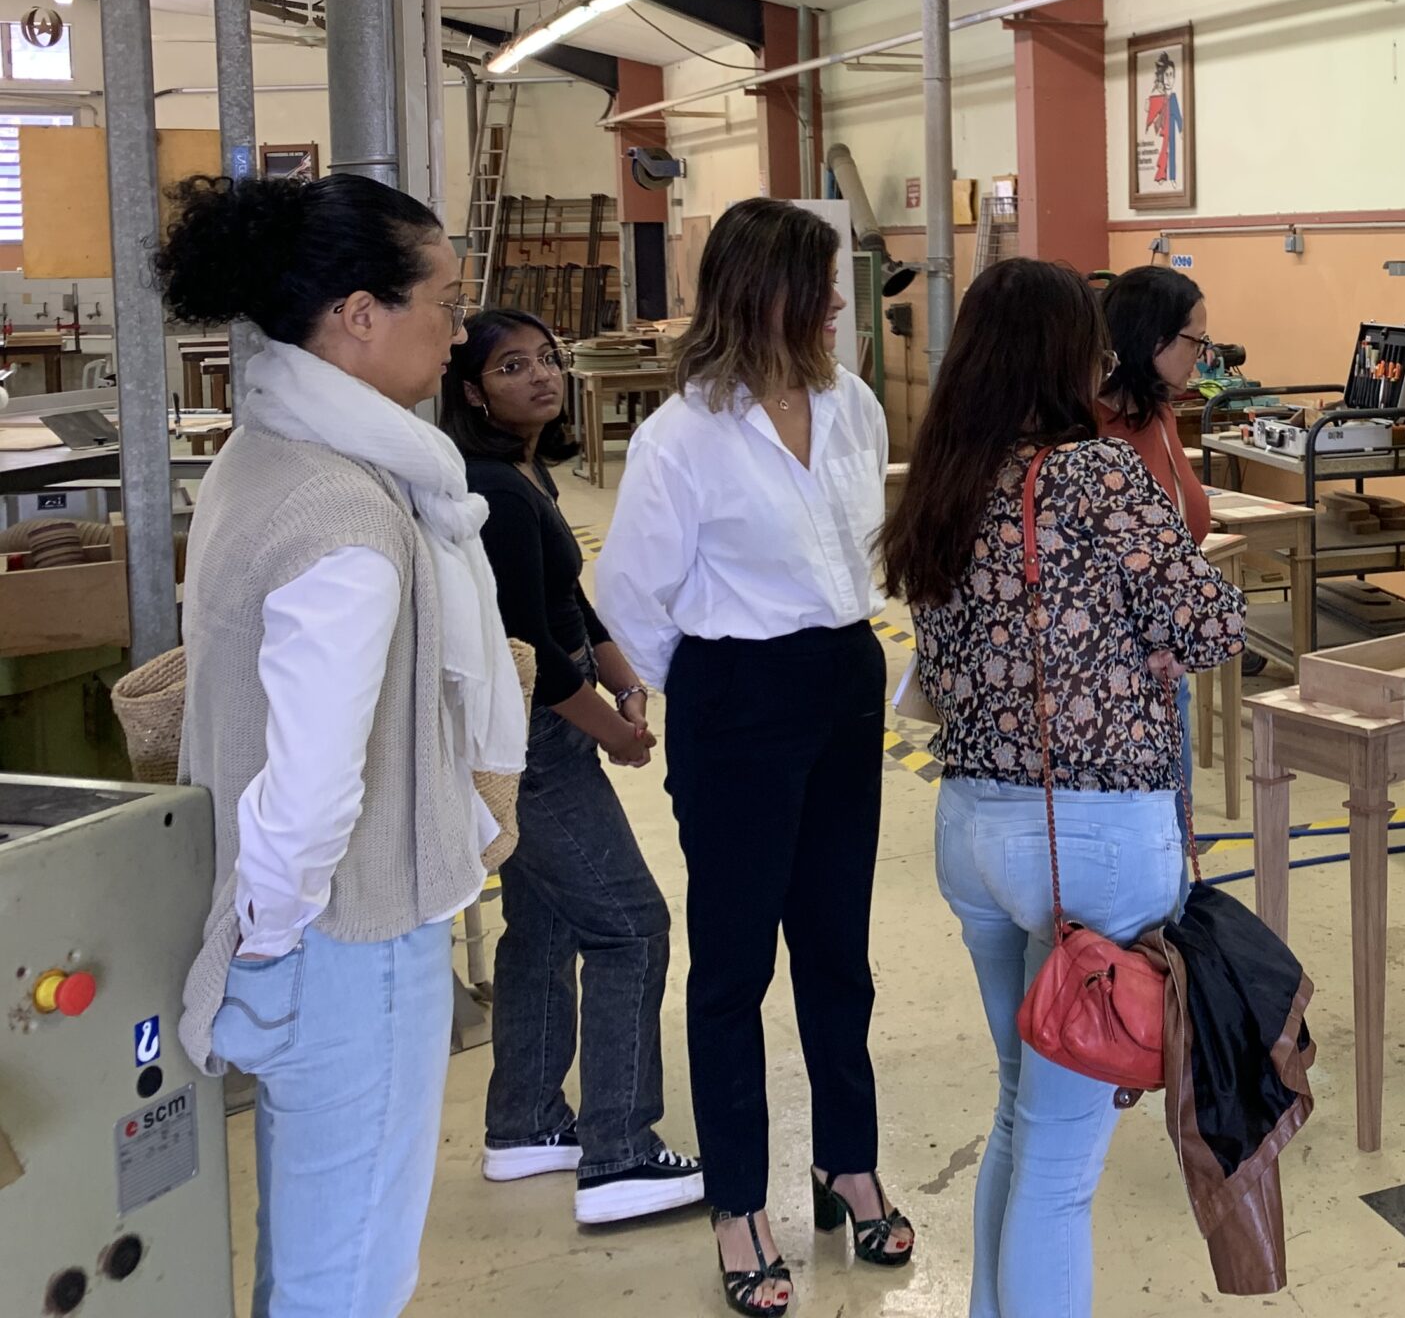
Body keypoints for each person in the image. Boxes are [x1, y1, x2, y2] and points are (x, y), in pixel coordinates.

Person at [158, 173, 522, 1318]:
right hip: (341, 937)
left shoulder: (263, 453)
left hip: (290, 926)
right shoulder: (351, 513)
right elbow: (313, 786)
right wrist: (267, 948)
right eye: (446, 302)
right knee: (350, 1277)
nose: (458, 330)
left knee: (307, 1256)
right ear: (360, 314)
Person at [883, 258, 1246, 1318]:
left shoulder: (947, 478)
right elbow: (1209, 626)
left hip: (975, 832)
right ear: (1061, 353)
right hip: (1084, 846)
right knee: (1060, 1167)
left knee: (1020, 1114)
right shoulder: (1090, 475)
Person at [594, 198, 905, 1315]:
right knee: (733, 966)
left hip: (842, 681)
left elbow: (859, 549)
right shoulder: (684, 433)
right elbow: (628, 596)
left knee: (838, 947)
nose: (835, 301)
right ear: (759, 291)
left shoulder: (851, 405)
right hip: (738, 695)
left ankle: (847, 1160)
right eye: (818, 281)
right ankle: (738, 1201)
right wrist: (714, 690)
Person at [439, 310, 703, 1225]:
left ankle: (524, 1125)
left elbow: (564, 600)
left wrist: (626, 674)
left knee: (545, 928)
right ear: (472, 389)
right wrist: (614, 730)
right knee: (631, 926)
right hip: (535, 744)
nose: (542, 377)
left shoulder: (523, 469)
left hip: (539, 732)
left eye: (547, 359)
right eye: (513, 367)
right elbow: (536, 657)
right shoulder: (488, 490)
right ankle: (621, 1153)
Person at [1096, 265, 1213, 544]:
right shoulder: (1082, 428)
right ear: (1153, 338)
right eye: (1196, 341)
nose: (1200, 355)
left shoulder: (1159, 413)